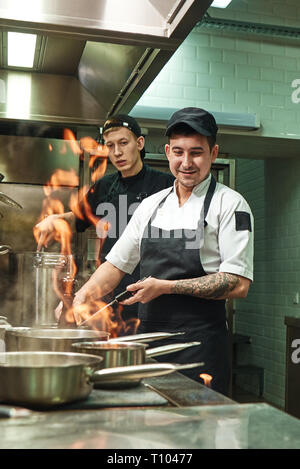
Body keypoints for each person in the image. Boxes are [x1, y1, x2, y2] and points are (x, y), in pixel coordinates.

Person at [70, 107, 254, 396]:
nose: (186, 162)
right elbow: (116, 264)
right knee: (149, 428)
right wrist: (80, 296)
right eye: (178, 152)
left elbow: (238, 283)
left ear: (214, 153)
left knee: (198, 434)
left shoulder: (230, 204)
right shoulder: (151, 206)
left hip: (200, 345)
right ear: (167, 152)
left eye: (196, 152)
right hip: (149, 345)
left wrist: (165, 287)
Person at [35, 114, 174, 321]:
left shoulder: (165, 185)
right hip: (111, 293)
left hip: (152, 291)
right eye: (110, 146)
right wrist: (56, 219)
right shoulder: (104, 186)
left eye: (123, 143)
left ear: (139, 142)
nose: (117, 152)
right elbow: (77, 218)